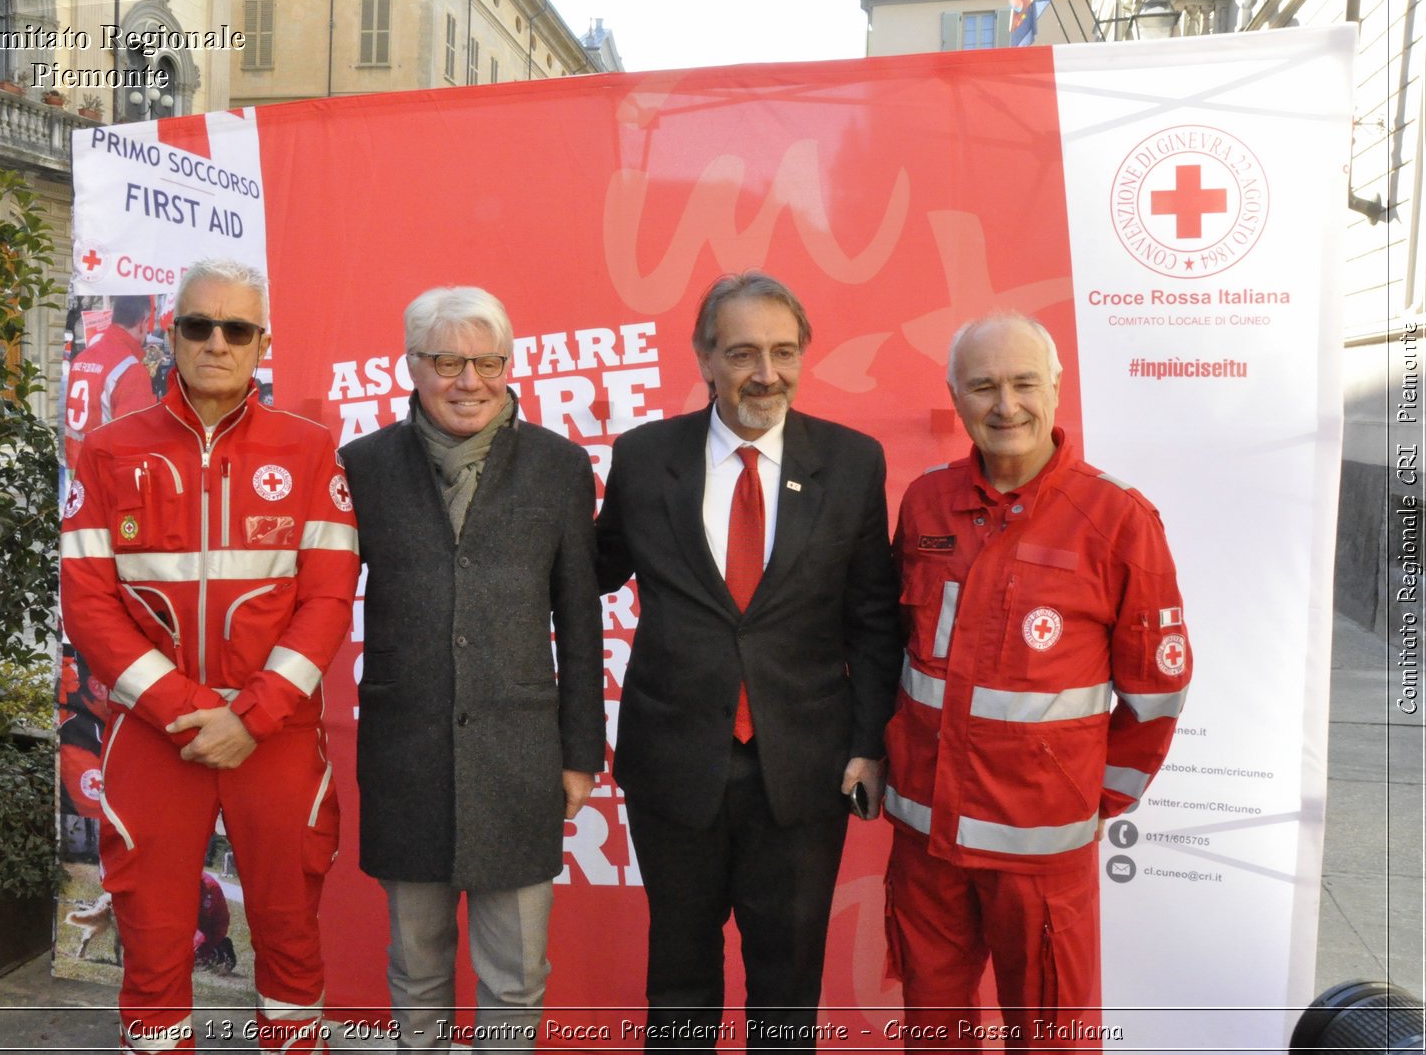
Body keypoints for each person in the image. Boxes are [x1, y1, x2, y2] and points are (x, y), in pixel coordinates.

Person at [61, 257, 359, 1053]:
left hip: (277, 736)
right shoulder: (108, 450)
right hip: (157, 736)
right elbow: (88, 602)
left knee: (290, 941)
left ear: (262, 342)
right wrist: (186, 708)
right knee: (154, 946)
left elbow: (328, 598)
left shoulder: (310, 450)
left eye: (237, 328)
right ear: (171, 334)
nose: (217, 342)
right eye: (199, 325)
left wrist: (252, 714)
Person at [595, 271, 899, 1050]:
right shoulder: (642, 456)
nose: (766, 373)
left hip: (803, 771)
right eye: (742, 353)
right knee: (680, 986)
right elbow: (587, 573)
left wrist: (869, 744)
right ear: (703, 357)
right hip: (674, 766)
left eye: (783, 351)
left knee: (787, 991)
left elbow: (872, 619)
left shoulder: (854, 462)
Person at [882, 313, 1192, 1049]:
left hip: (1041, 854)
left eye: (1024, 383)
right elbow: (890, 648)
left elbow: (1157, 691)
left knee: (1051, 1034)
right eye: (983, 385)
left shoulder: (1116, 517)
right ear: (955, 396)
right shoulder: (925, 503)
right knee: (932, 1030)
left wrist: (1093, 798)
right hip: (927, 838)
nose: (1006, 404)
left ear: (1056, 388)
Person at [339, 286, 604, 1053]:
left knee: (516, 971)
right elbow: (318, 597)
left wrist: (581, 753)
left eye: (488, 361)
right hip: (406, 751)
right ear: (412, 367)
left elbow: (579, 617)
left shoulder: (559, 466)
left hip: (521, 760)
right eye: (448, 361)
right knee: (416, 962)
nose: (470, 380)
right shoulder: (362, 467)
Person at [64, 293, 158, 472]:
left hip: (77, 471)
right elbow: (134, 450)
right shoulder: (131, 371)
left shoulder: (81, 359)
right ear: (142, 322)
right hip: (105, 481)